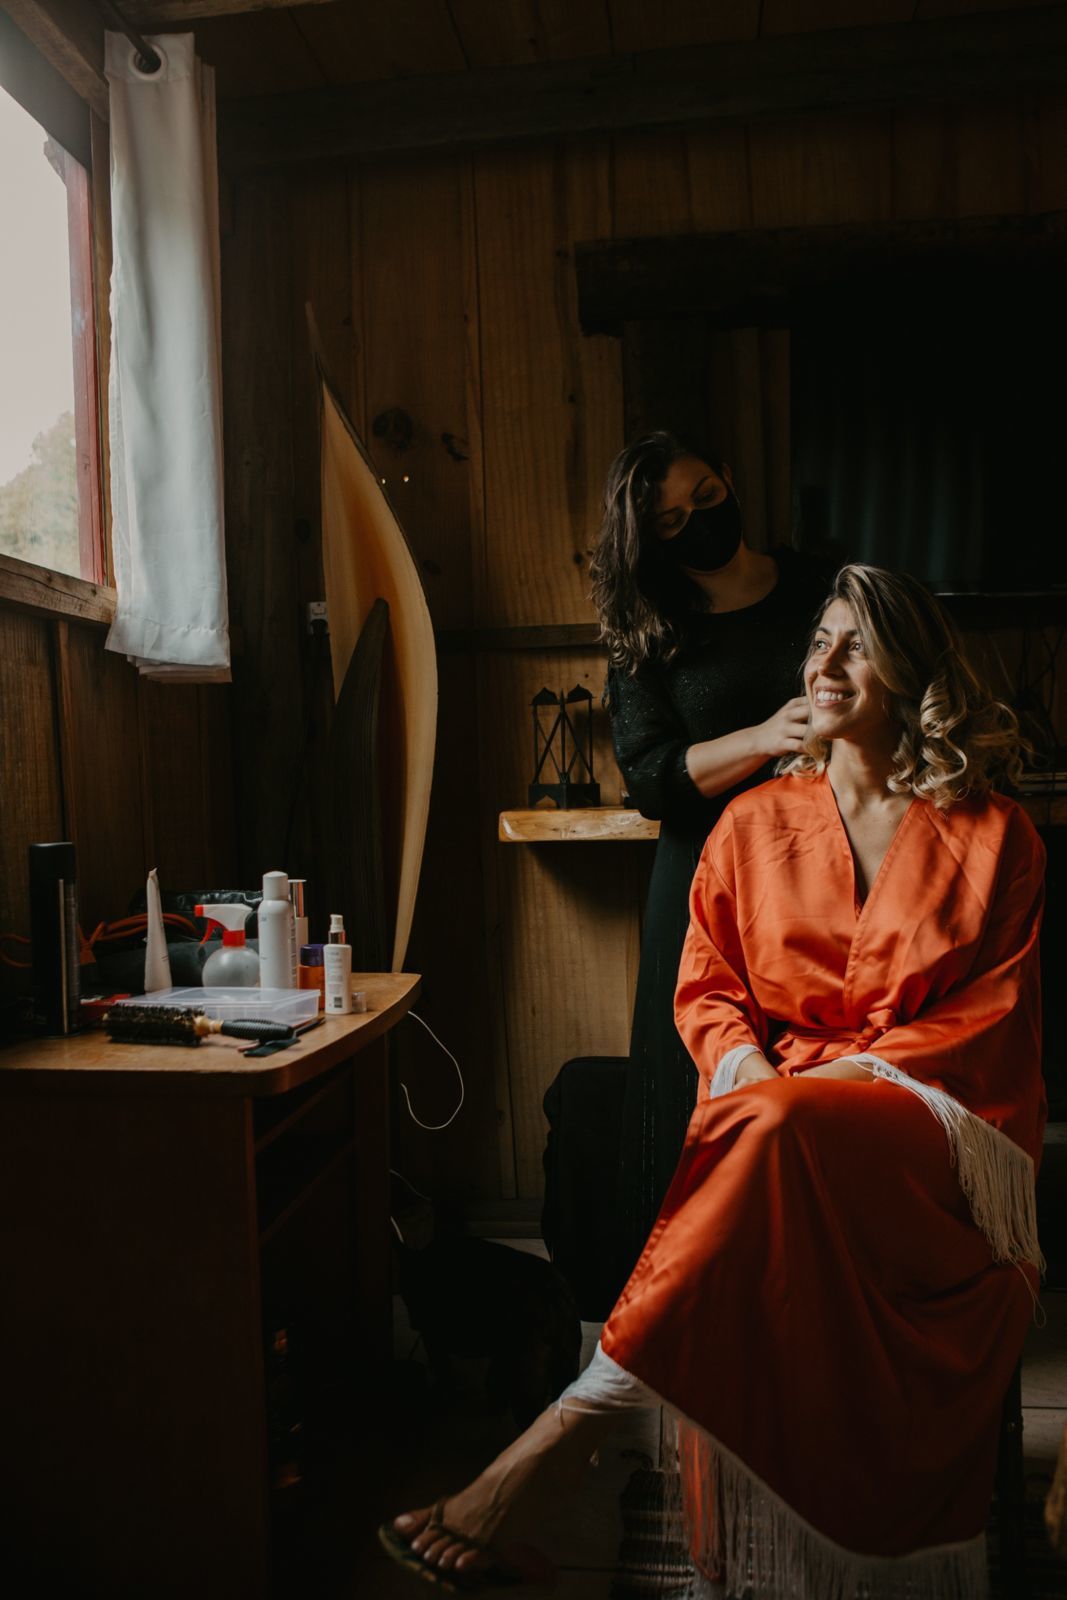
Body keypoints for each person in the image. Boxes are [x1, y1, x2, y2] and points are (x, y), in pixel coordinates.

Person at [381, 563, 1046, 1598]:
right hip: (772, 1120)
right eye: (816, 640)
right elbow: (708, 988)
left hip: (925, 1133)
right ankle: (592, 1431)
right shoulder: (750, 825)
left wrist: (809, 1090)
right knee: (770, 1130)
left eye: (854, 644)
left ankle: (570, 1427)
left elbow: (988, 1020)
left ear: (911, 669)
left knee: (775, 1128)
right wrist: (744, 1069)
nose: (822, 663)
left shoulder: (994, 833)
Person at [588, 430, 832, 1287]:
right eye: (668, 520)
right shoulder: (646, 632)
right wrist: (765, 736)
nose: (696, 520)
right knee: (688, 1073)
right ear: (646, 539)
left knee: (806, 1065)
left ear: (729, 478)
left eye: (704, 496)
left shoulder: (821, 587)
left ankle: (804, 1277)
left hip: (819, 870)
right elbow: (651, 776)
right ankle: (685, 1288)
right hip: (700, 877)